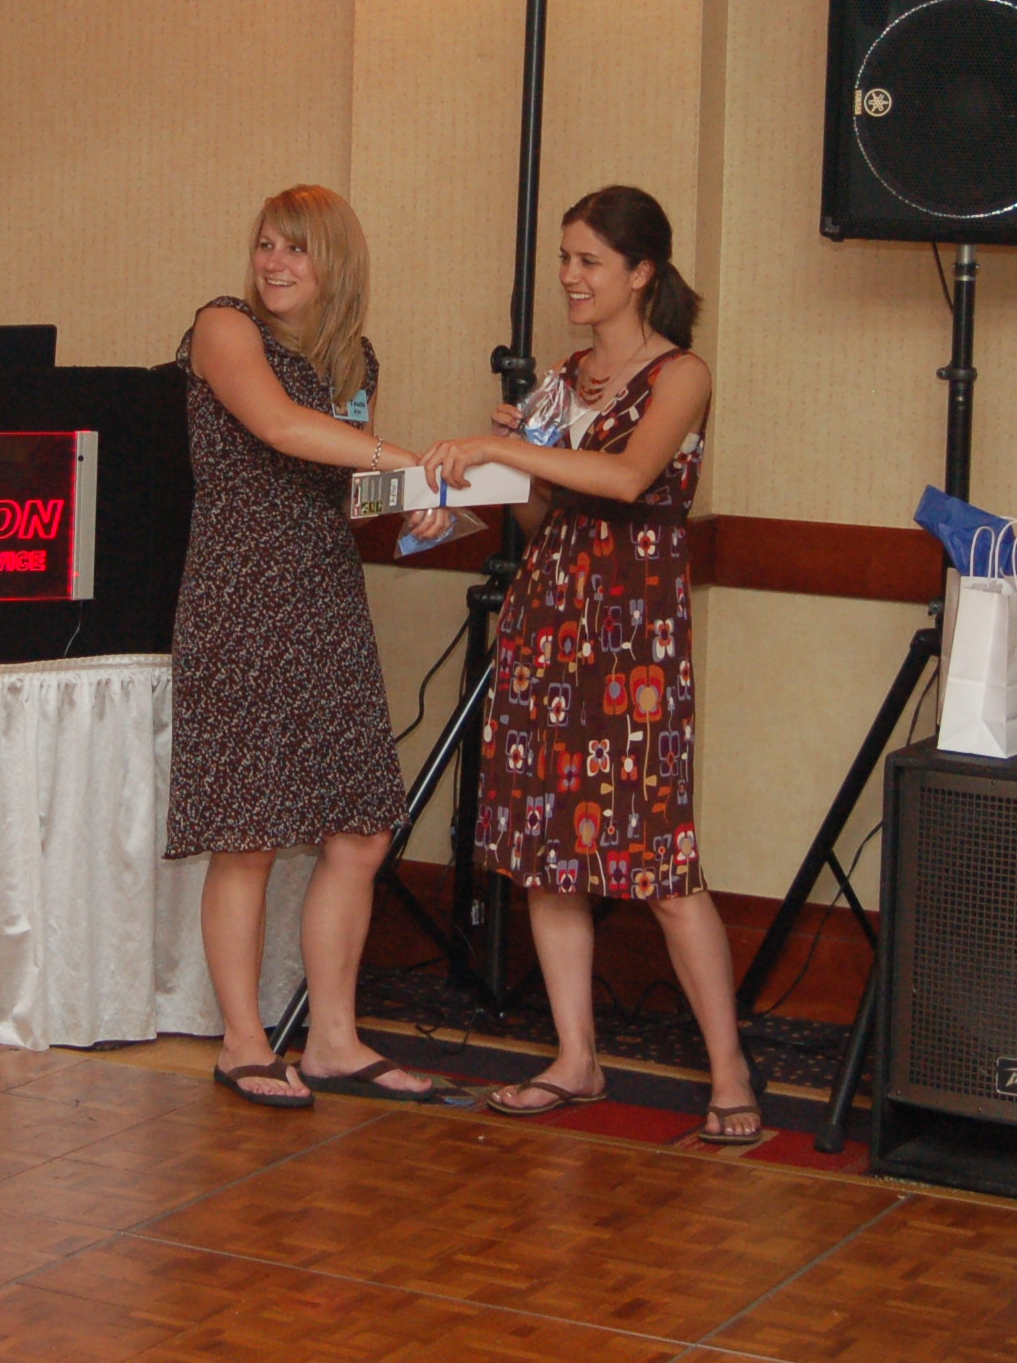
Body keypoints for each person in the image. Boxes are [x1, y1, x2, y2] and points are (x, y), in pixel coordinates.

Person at [419, 186, 761, 1145]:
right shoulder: (563, 379)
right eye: (565, 259)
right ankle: (576, 1058)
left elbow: (626, 477)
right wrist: (512, 460)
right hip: (549, 623)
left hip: (633, 637)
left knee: (662, 861)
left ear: (641, 272)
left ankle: (729, 1072)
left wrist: (507, 446)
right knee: (547, 852)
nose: (570, 277)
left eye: (589, 262)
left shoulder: (682, 373)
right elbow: (540, 519)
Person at [168, 187, 450, 1110]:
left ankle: (333, 1039)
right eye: (266, 244)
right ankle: (243, 1043)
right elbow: (281, 428)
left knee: (361, 828)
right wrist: (411, 464)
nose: (275, 263)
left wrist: (420, 506)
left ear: (336, 264)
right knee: (247, 833)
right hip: (240, 603)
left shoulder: (353, 360)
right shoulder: (222, 327)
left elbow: (348, 490)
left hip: (327, 601)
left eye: (296, 249)